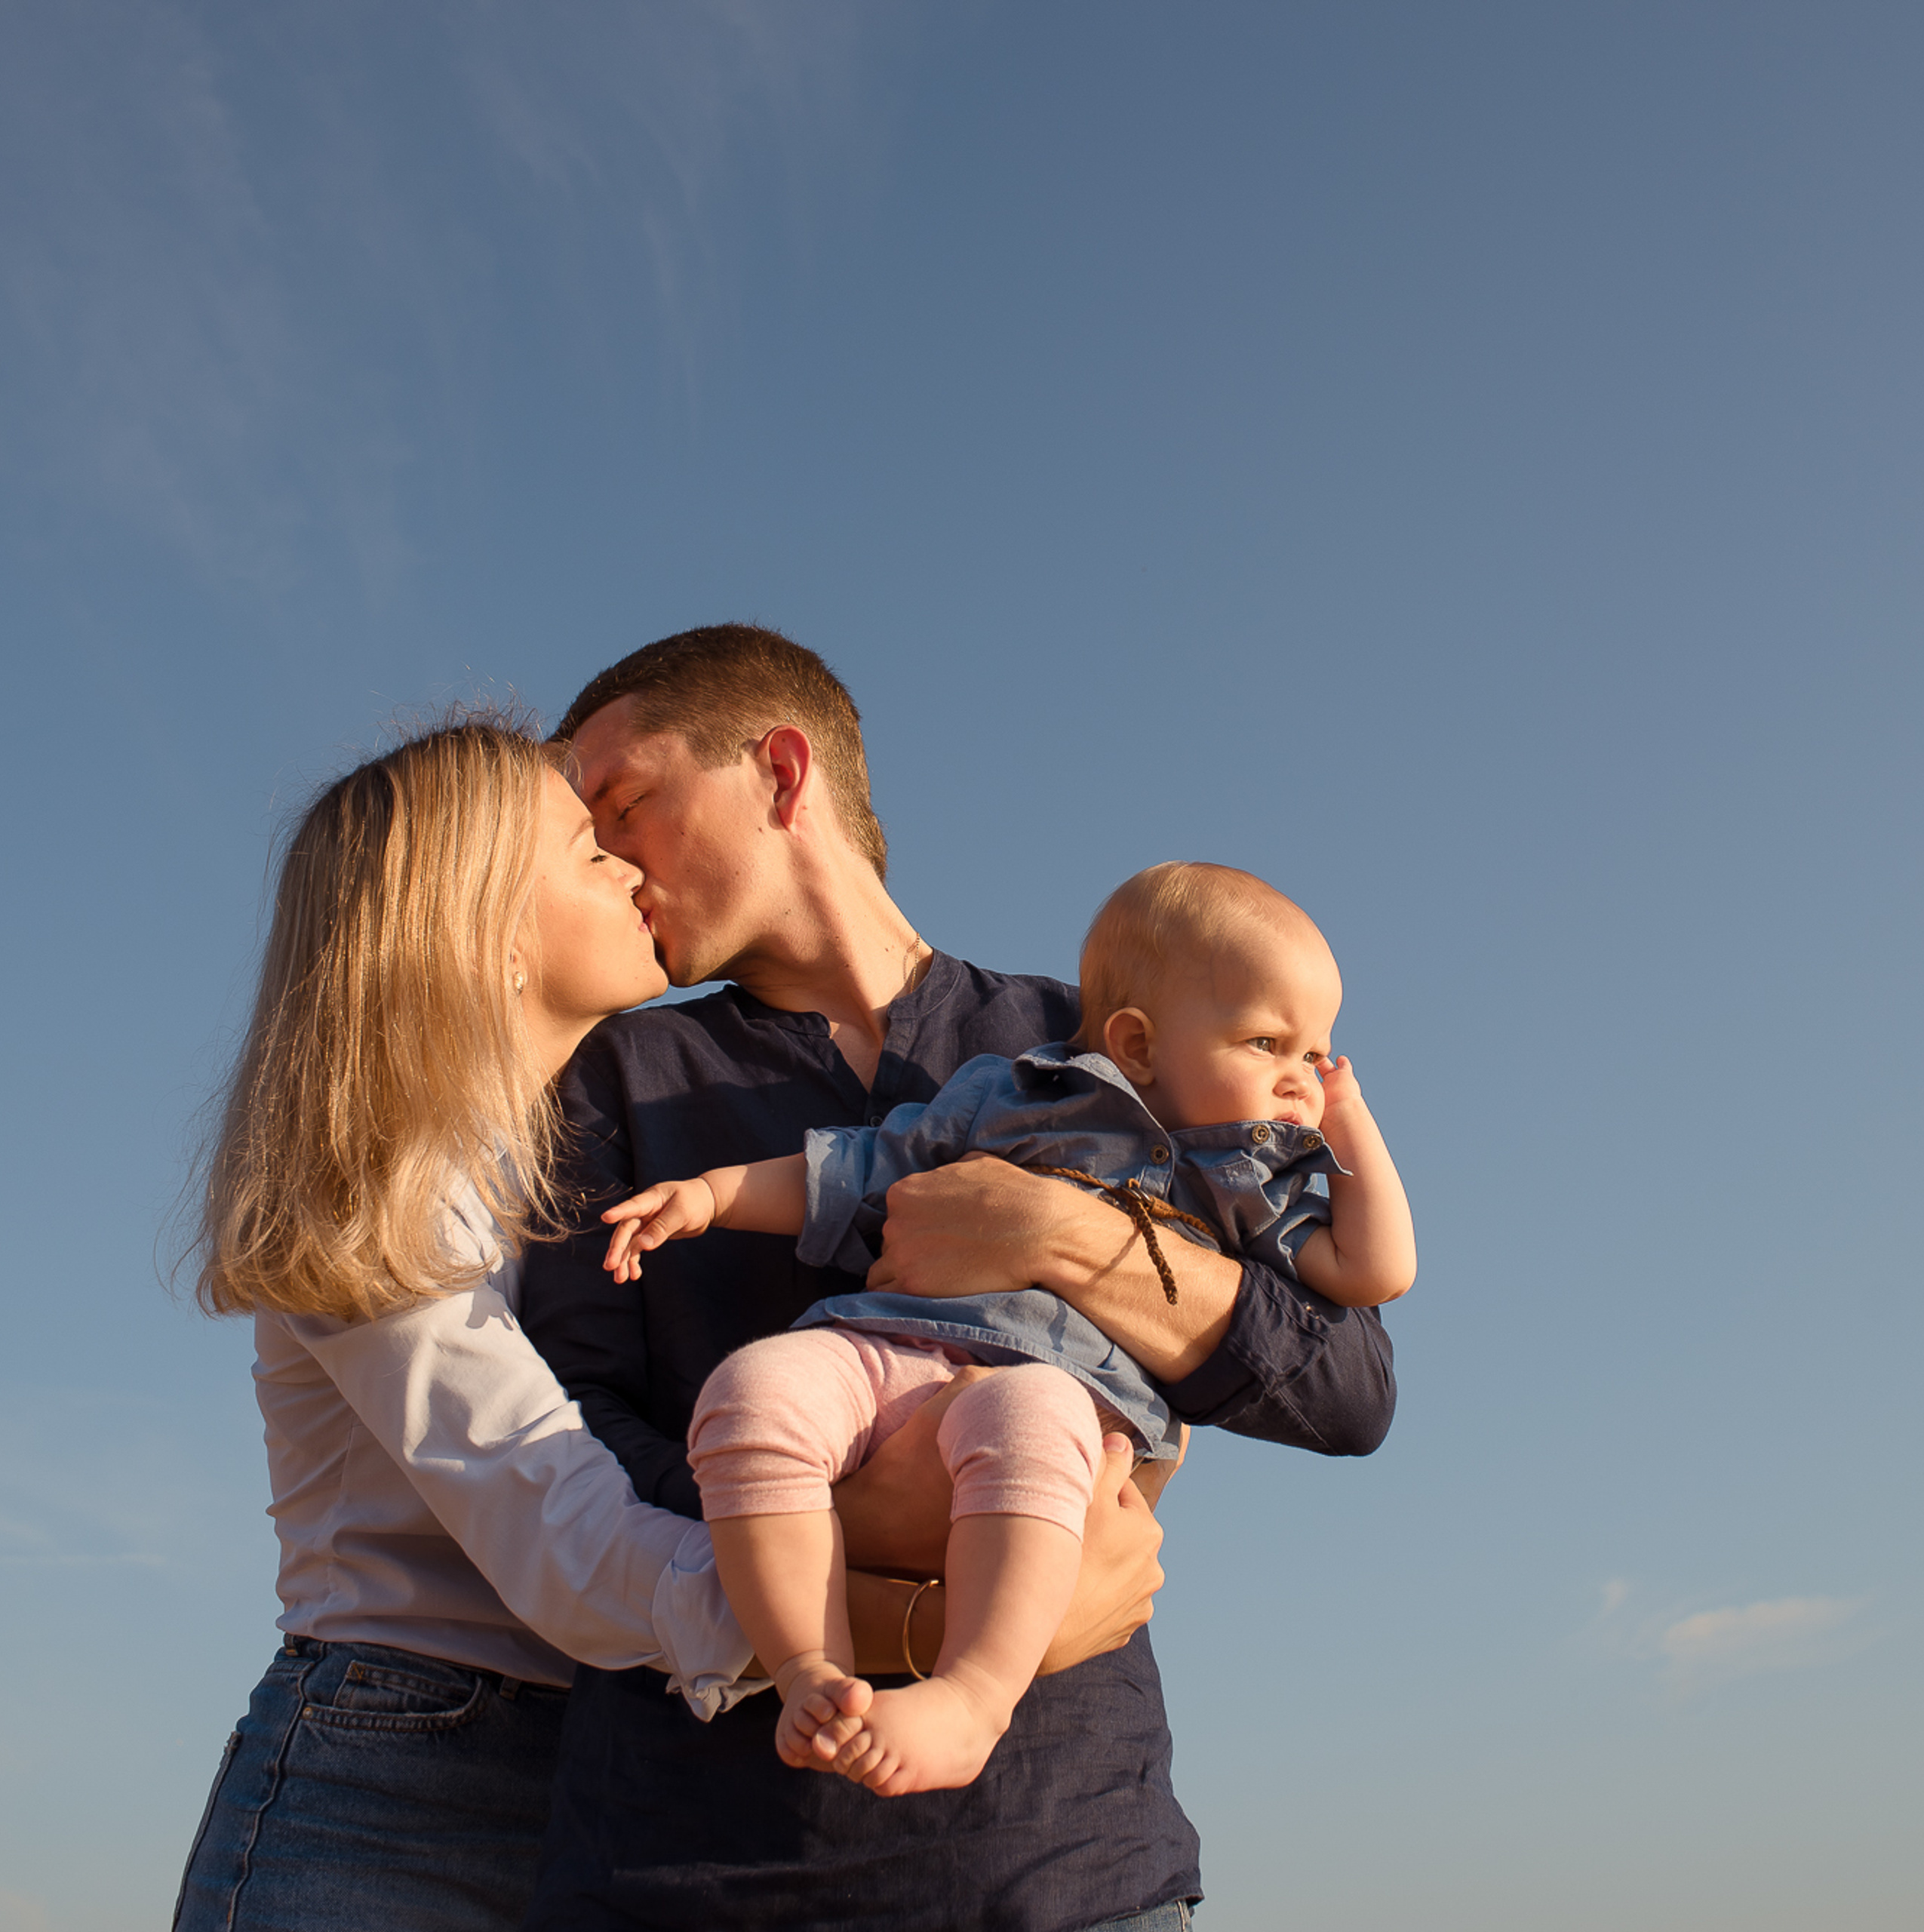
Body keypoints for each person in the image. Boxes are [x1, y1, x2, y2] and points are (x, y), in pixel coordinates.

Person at [171, 716, 1147, 1932]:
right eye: (590, 854)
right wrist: (949, 1625)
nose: (635, 869)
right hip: (397, 1774)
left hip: (611, 1763)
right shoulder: (387, 1179)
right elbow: (563, 1531)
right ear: (484, 932)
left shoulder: (584, 1145)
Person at [517, 626, 1400, 1932]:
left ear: (779, 770)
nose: (608, 851)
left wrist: (1059, 1241)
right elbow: (566, 1448)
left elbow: (1350, 1387)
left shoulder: (1098, 1042)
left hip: (1066, 1871)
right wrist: (896, 1609)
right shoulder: (608, 1083)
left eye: (628, 799)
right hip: (691, 1872)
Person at [596, 860, 1418, 1798]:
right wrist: (709, 1196)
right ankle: (805, 1669)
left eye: (1316, 1053)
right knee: (752, 1391)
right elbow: (855, 1168)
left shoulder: (1249, 1181)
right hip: (890, 1338)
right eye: (1268, 1042)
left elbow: (1372, 1277)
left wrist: (1350, 1130)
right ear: (1137, 1043)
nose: (1299, 1078)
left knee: (1024, 1425)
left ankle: (972, 1698)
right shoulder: (1016, 1088)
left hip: (1059, 1384)